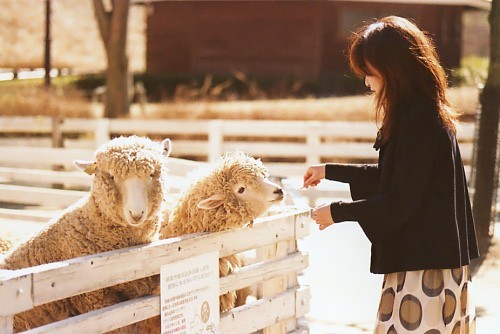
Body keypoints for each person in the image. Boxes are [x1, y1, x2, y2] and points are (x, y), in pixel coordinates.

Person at [302, 16, 479, 333]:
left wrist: (337, 212)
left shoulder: (418, 121)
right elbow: (395, 177)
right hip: (431, 261)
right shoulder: (421, 112)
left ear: (394, 69)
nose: (367, 81)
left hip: (425, 269)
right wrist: (329, 171)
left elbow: (400, 200)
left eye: (369, 71)